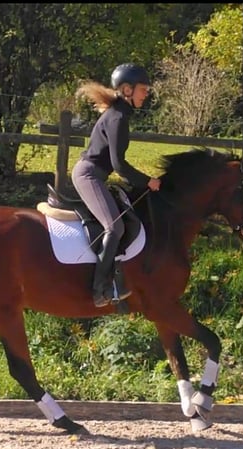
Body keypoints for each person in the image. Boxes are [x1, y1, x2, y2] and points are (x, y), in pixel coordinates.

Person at [72, 63, 161, 307]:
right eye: (143, 89)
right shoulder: (118, 117)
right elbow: (119, 165)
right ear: (127, 89)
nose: (146, 94)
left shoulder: (119, 115)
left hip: (96, 175)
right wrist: (148, 181)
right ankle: (99, 290)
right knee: (114, 227)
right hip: (88, 175)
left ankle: (115, 277)